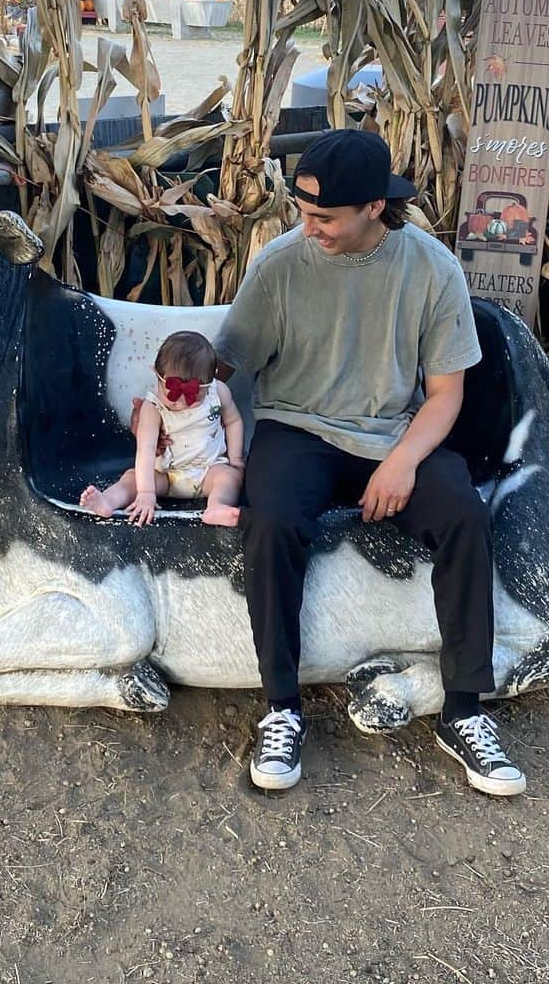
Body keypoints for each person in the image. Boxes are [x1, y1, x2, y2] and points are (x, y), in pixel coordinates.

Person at [213, 129, 527, 798]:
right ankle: (281, 707)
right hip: (295, 427)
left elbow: (446, 394)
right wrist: (172, 415)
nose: (309, 228)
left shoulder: (430, 268)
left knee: (465, 515)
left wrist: (405, 461)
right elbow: (227, 366)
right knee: (268, 522)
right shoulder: (279, 265)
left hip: (392, 432)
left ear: (374, 210)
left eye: (323, 217)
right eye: (302, 212)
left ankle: (465, 710)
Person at [80, 330, 245, 527]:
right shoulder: (153, 407)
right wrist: (146, 494)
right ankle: (107, 501)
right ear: (157, 376)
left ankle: (216, 506)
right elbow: (146, 450)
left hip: (209, 470)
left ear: (208, 385)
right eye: (173, 395)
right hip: (166, 476)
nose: (182, 402)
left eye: (193, 397)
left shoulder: (219, 393)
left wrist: (235, 459)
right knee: (132, 478)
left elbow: (233, 421)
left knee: (230, 478)